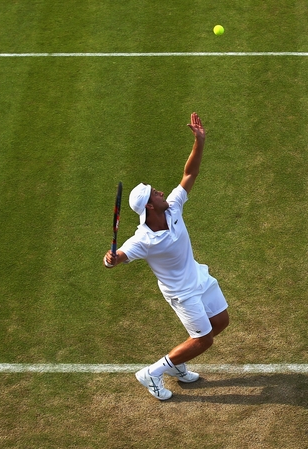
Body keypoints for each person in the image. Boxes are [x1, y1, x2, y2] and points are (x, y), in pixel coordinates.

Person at [103, 112, 229, 401]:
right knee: (203, 339)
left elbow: (189, 174)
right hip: (181, 293)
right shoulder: (142, 240)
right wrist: (110, 259)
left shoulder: (172, 207)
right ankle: (153, 372)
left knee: (221, 321)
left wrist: (199, 142)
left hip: (198, 276)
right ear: (149, 207)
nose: (160, 191)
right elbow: (118, 256)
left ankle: (177, 363)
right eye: (154, 193)